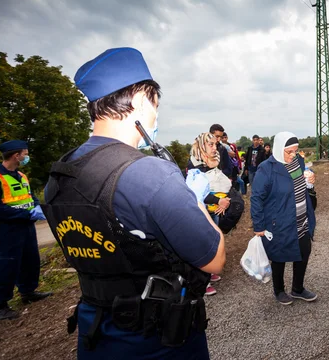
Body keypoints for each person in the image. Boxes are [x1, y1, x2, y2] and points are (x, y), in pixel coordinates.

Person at [42, 47, 225, 359]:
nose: (155, 114)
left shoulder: (60, 173)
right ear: (141, 99)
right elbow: (214, 260)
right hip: (158, 338)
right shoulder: (149, 174)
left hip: (96, 332)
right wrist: (194, 202)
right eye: (155, 105)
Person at [251, 132, 317, 305]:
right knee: (279, 256)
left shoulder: (298, 163)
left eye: (295, 151)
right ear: (279, 149)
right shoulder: (267, 168)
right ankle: (279, 290)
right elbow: (256, 198)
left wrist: (310, 182)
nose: (293, 155)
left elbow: (303, 186)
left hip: (301, 219)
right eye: (289, 152)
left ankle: (298, 288)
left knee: (304, 252)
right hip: (279, 222)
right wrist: (258, 226)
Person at [0, 140, 52, 321]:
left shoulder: (21, 176)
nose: (26, 157)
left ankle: (28, 292)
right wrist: (27, 213)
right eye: (25, 153)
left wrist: (36, 207)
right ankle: (0, 305)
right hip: (7, 229)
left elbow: (30, 197)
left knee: (30, 259)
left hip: (26, 226)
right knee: (7, 264)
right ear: (15, 155)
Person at [188, 132, 239, 296]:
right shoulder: (194, 164)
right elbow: (197, 192)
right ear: (201, 145)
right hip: (202, 211)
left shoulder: (212, 161)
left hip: (214, 209)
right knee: (203, 243)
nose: (214, 147)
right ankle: (202, 281)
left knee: (213, 241)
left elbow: (216, 185)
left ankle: (208, 272)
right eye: (210, 144)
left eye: (215, 144)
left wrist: (224, 200)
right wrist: (218, 201)